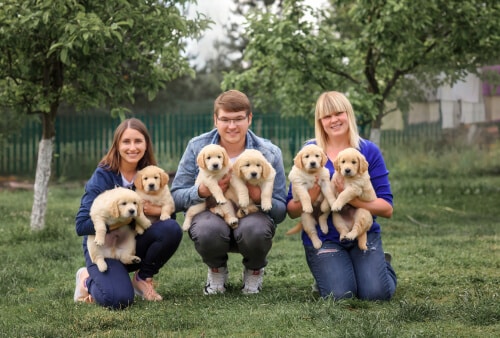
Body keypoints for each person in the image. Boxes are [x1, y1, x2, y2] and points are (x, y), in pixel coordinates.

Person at [170, 90, 287, 295]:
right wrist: (202, 191)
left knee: (256, 229)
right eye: (225, 119)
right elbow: (176, 197)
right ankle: (216, 269)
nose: (232, 126)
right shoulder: (198, 147)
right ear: (215, 120)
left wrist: (258, 195)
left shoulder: (269, 152)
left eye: (238, 119)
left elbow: (280, 211)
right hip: (212, 215)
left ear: (249, 119)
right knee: (207, 229)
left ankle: (254, 269)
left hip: (251, 218)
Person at [286, 91, 397, 301]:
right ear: (320, 121)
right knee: (341, 295)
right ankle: (335, 275)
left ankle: (382, 265)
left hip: (362, 231)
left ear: (348, 114)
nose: (334, 120)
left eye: (339, 113)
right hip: (326, 236)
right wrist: (316, 191)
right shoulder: (311, 152)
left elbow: (387, 208)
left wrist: (350, 198)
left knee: (375, 294)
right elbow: (292, 210)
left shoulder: (368, 151)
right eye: (327, 116)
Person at [74, 118, 183, 309]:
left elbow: (168, 220)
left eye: (138, 141)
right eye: (126, 142)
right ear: (117, 145)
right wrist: (122, 219)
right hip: (105, 248)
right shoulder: (104, 175)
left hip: (133, 243)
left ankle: (142, 278)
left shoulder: (150, 173)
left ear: (146, 144)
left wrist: (152, 210)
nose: (132, 147)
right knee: (119, 300)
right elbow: (81, 225)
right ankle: (86, 279)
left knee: (171, 229)